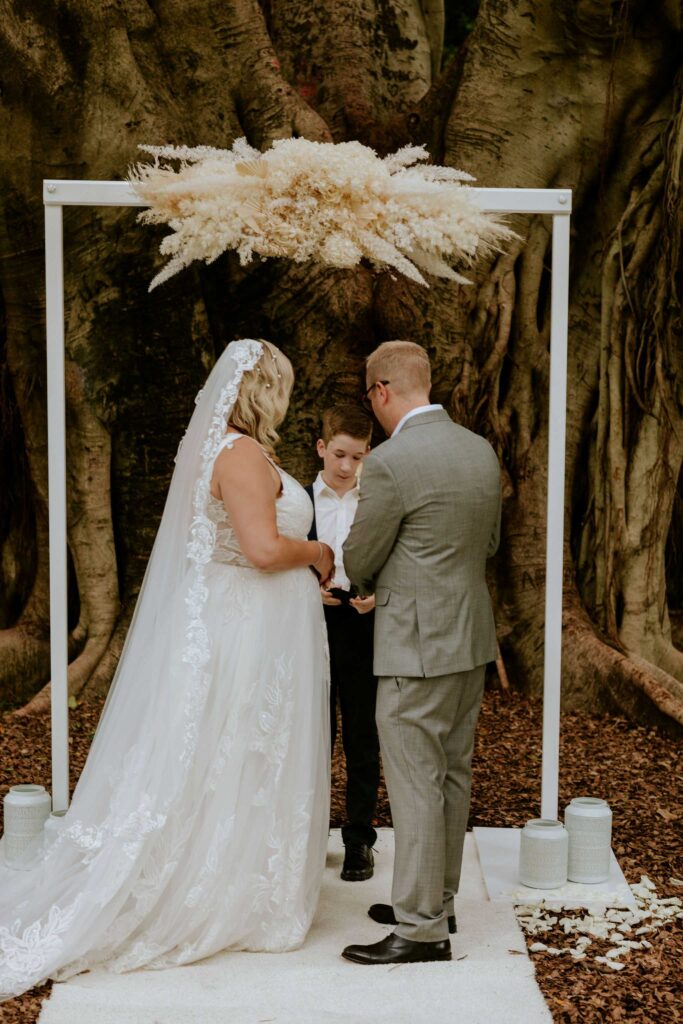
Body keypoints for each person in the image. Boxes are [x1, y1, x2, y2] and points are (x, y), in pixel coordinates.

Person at [0, 339, 335, 1001]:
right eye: (283, 386)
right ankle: (220, 890)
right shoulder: (238, 455)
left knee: (239, 757)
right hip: (243, 634)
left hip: (254, 629)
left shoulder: (236, 450)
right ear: (264, 389)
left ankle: (242, 875)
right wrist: (319, 552)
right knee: (228, 754)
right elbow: (263, 549)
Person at [341, 340, 501, 966]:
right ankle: (438, 897)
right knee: (451, 773)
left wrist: (365, 579)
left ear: (381, 391)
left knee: (414, 783)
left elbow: (360, 558)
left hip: (415, 646)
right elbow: (485, 542)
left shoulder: (391, 461)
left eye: (369, 396)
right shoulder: (479, 449)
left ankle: (420, 928)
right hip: (470, 638)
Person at [305, 405, 379, 882]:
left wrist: (379, 594)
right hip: (309, 622)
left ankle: (358, 839)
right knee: (312, 734)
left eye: (357, 456)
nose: (347, 466)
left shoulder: (377, 499)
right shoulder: (297, 499)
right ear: (321, 448)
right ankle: (309, 838)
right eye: (338, 454)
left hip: (362, 622)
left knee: (361, 734)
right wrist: (306, 591)